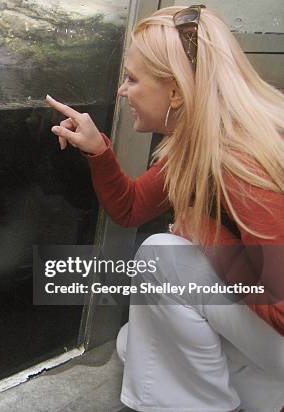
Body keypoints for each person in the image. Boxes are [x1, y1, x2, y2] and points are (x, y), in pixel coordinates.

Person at [46, 5, 284, 412]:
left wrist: (205, 234)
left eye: (133, 79)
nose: (122, 90)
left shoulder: (243, 161)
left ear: (175, 91)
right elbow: (133, 208)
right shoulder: (202, 143)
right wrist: (100, 151)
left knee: (162, 257)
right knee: (137, 344)